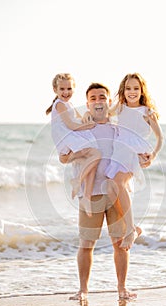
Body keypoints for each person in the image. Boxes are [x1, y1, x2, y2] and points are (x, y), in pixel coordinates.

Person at [60, 82, 150, 301]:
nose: (98, 101)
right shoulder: (80, 130)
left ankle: (122, 288)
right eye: (93, 98)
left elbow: (135, 152)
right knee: (86, 244)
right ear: (88, 104)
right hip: (89, 194)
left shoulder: (120, 129)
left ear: (109, 102)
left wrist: (144, 159)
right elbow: (63, 158)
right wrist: (77, 155)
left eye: (102, 97)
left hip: (117, 192)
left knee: (120, 244)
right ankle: (83, 290)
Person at [105, 73, 163, 250]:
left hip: (134, 152)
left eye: (136, 88)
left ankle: (130, 229)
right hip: (119, 152)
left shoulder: (147, 112)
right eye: (128, 88)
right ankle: (134, 228)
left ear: (141, 90)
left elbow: (160, 138)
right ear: (123, 90)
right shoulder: (120, 108)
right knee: (113, 186)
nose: (132, 92)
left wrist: (152, 155)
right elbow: (103, 113)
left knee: (118, 183)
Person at [46, 73, 101, 216]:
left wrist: (87, 115)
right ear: (55, 90)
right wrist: (89, 126)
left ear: (74, 89)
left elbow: (78, 117)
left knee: (91, 162)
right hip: (66, 138)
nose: (66, 92)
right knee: (96, 154)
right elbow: (71, 125)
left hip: (71, 136)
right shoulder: (59, 105)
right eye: (62, 89)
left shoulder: (68, 104)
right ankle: (77, 181)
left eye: (69, 89)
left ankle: (86, 197)